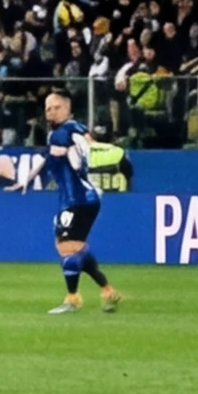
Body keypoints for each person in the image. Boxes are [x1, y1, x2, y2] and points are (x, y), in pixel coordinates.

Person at [39, 86, 126, 315]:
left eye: (56, 107)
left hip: (78, 198)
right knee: (73, 248)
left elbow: (85, 147)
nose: (51, 112)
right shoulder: (68, 130)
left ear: (67, 109)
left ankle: (73, 299)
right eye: (48, 108)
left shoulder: (64, 132)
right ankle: (108, 291)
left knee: (67, 249)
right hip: (75, 198)